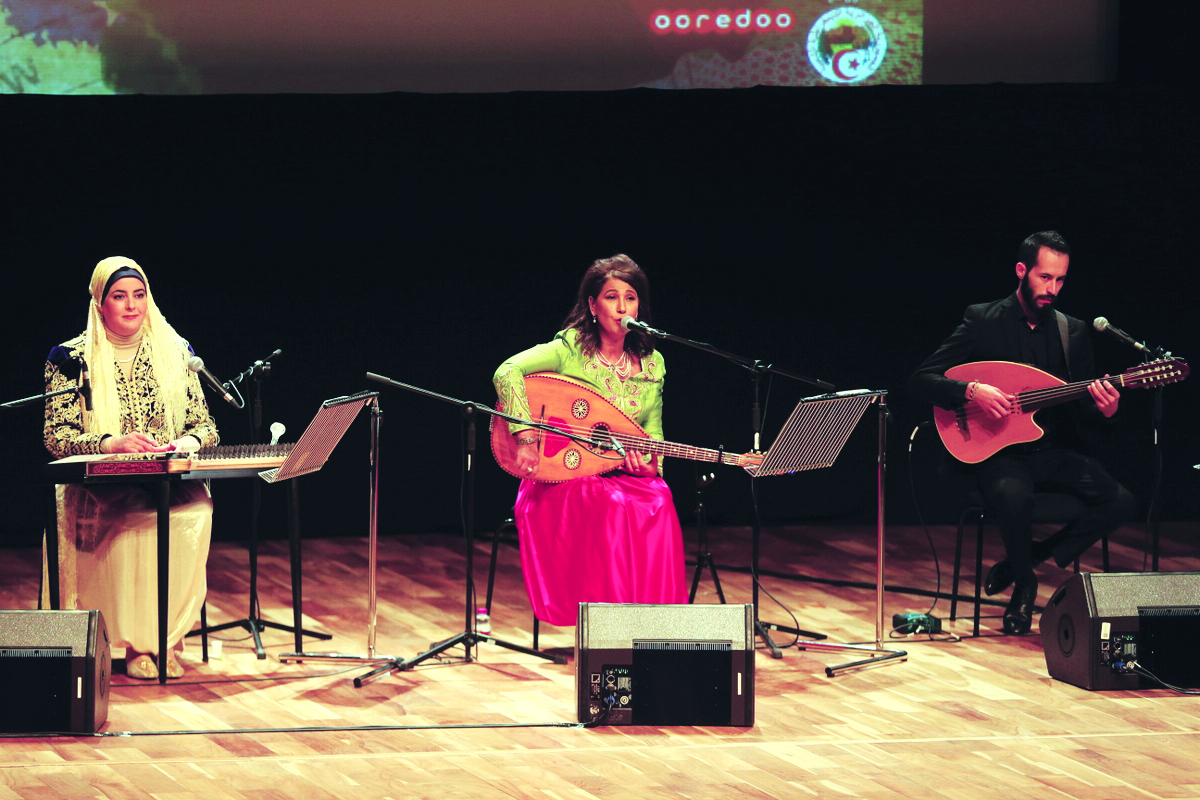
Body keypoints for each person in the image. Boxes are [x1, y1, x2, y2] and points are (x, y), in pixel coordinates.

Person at [908, 231, 1135, 635]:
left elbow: (1085, 410)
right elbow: (921, 379)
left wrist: (1108, 410)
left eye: (1060, 280)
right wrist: (971, 390)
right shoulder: (983, 320)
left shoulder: (1073, 331)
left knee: (1120, 502)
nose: (1053, 289)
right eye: (1045, 277)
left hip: (1051, 451)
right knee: (1013, 496)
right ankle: (1025, 589)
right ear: (1021, 271)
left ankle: (1025, 560)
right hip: (999, 452)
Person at [43, 256, 219, 679]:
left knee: (194, 514)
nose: (131, 305)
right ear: (99, 303)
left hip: (167, 480)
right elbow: (55, 436)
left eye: (139, 295)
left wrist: (188, 441)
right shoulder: (70, 358)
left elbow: (206, 425)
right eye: (119, 296)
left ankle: (167, 638)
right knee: (138, 521)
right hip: (100, 486)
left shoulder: (177, 352)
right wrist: (109, 444)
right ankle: (138, 645)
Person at [492, 254, 686, 626]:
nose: (622, 307)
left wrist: (651, 463)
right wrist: (526, 436)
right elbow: (508, 371)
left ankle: (655, 626)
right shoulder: (569, 350)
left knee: (659, 497)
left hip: (619, 471)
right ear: (592, 305)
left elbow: (654, 432)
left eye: (630, 297)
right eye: (612, 297)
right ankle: (607, 627)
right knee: (612, 505)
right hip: (563, 474)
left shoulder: (652, 362)